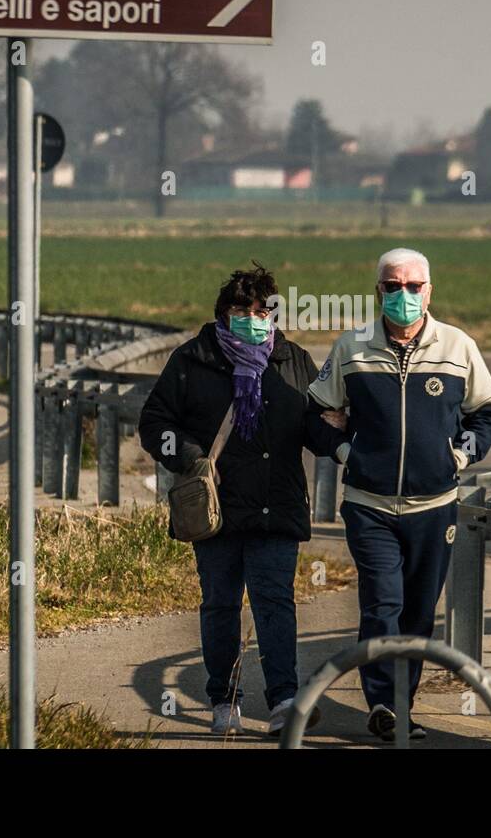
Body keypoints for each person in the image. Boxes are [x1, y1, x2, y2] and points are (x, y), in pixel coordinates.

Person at [139, 264, 347, 737]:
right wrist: (191, 458)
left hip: (277, 504)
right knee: (220, 604)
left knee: (276, 603)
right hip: (217, 508)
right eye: (241, 310)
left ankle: (285, 702)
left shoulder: (292, 360)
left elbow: (312, 427)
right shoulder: (193, 360)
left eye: (261, 310)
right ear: (222, 314)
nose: (252, 318)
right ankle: (223, 699)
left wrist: (338, 434)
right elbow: (155, 424)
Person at [307, 247, 491, 741]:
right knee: (382, 604)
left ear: (429, 290)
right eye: (392, 286)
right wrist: (345, 452)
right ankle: (381, 704)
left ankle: (401, 705)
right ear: (378, 290)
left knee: (417, 613)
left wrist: (460, 455)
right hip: (368, 506)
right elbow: (314, 414)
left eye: (413, 286)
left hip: (435, 509)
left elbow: (489, 412)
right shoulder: (351, 347)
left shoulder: (458, 346)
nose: (403, 295)